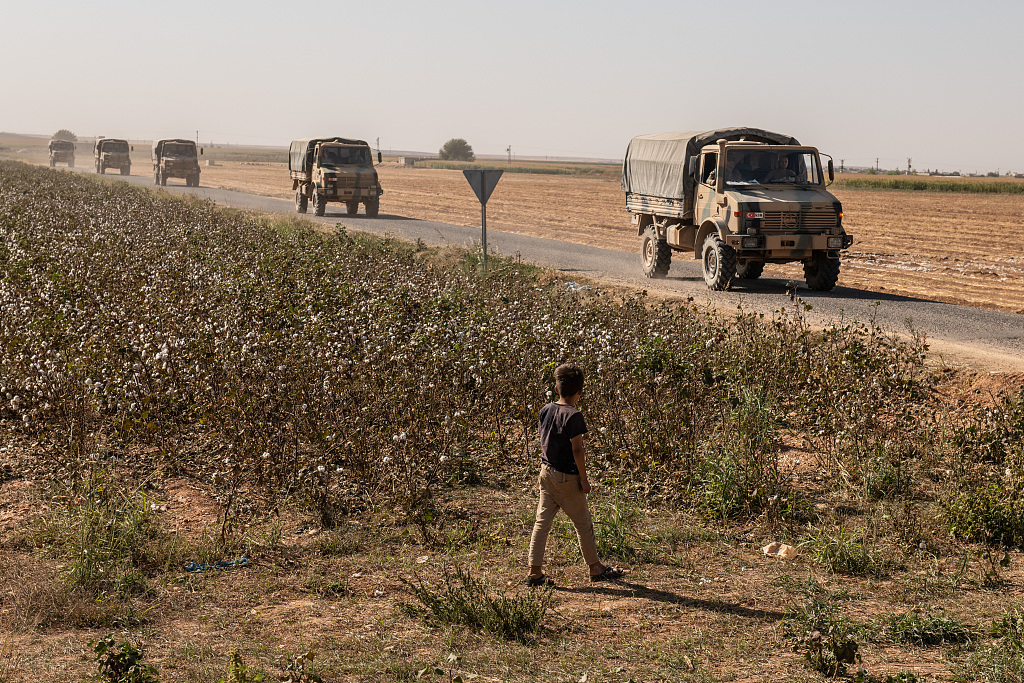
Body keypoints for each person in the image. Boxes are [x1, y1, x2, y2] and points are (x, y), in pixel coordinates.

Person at [526, 363, 623, 586]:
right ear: (580, 392)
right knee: (583, 523)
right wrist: (584, 479)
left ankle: (535, 571)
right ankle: (595, 568)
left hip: (546, 472)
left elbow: (543, 439)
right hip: (567, 477)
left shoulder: (546, 409)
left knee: (542, 522)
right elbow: (577, 449)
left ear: (557, 389)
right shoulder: (574, 415)